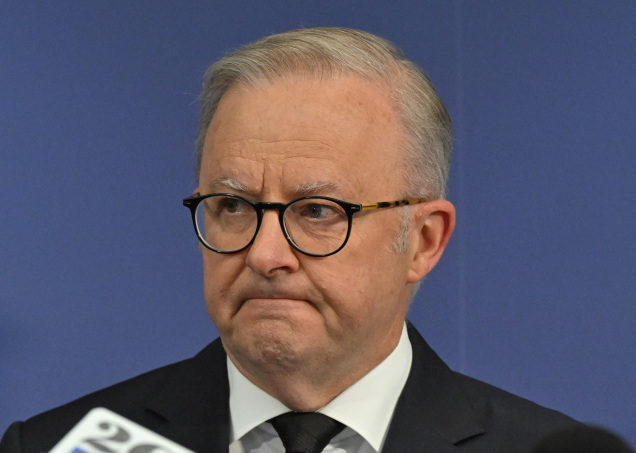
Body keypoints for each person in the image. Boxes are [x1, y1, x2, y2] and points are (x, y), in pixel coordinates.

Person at [0, 27, 578, 453]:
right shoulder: (49, 446)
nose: (265, 255)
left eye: (318, 212)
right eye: (232, 206)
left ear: (424, 241)